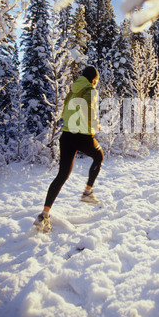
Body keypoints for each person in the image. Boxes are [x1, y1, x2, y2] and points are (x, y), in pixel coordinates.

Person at [34, 66, 104, 233]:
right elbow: (88, 112)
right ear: (94, 79)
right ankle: (87, 192)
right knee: (99, 156)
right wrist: (96, 126)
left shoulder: (73, 90)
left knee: (62, 175)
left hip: (67, 136)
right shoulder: (91, 91)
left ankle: (44, 214)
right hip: (82, 136)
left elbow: (65, 113)